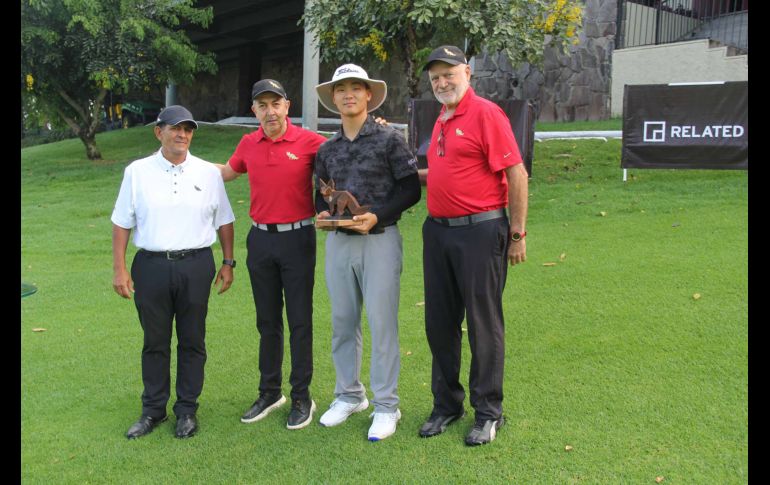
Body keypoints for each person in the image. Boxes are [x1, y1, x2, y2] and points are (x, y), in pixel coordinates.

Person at [418, 45, 529, 446]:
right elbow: (448, 171)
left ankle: (488, 412)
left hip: (481, 232)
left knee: (483, 324)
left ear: (467, 73)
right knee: (440, 323)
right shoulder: (442, 117)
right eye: (435, 78)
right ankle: (447, 405)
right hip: (439, 233)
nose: (442, 82)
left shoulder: (485, 113)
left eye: (449, 74)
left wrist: (517, 233)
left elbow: (516, 173)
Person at [112, 104, 236, 440]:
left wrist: (228, 262)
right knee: (155, 341)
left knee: (193, 340)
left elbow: (225, 220)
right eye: (175, 128)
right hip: (151, 266)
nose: (182, 135)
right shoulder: (137, 172)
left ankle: (187, 410)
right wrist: (120, 268)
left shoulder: (208, 173)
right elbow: (122, 222)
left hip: (196, 264)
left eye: (188, 129)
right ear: (159, 132)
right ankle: (153, 410)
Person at [313, 64, 421, 441]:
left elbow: (410, 190)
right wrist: (323, 214)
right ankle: (349, 395)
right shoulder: (326, 148)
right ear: (333, 98)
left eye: (356, 88)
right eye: (341, 89)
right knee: (343, 320)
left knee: (381, 323)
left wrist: (377, 215)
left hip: (380, 240)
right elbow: (321, 195)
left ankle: (387, 405)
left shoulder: (389, 139)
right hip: (339, 242)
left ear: (368, 95)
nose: (348, 94)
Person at [216, 79, 327, 429]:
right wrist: (180, 160)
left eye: (275, 104)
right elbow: (227, 172)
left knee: (299, 321)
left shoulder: (310, 142)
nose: (270, 112)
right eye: (262, 106)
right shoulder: (249, 144)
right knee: (267, 321)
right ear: (254, 111)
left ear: (287, 106)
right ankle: (270, 392)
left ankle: (301, 396)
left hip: (298, 239)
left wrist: (376, 129)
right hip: (260, 240)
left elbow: (345, 155)